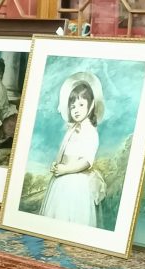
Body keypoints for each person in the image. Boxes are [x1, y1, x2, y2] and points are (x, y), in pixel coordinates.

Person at [39, 71, 107, 227]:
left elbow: (87, 161)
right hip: (62, 178)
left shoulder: (90, 132)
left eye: (81, 105)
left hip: (77, 182)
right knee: (56, 213)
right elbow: (64, 152)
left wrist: (66, 170)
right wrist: (57, 164)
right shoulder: (72, 129)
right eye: (72, 106)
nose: (76, 110)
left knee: (71, 214)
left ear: (91, 106)